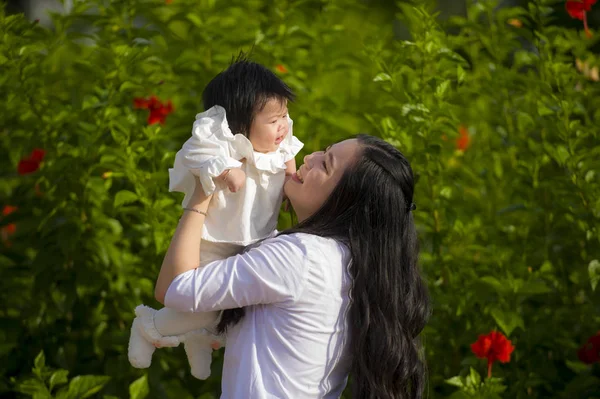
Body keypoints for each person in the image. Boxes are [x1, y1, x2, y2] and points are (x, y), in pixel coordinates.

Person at [155, 135, 431, 398]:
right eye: (324, 150)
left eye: (325, 164)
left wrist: (203, 191)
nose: (310, 157)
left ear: (346, 202)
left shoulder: (300, 257)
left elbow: (175, 289)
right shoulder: (348, 262)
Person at [128, 57, 303, 379]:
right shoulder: (219, 139)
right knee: (203, 304)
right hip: (215, 239)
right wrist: (225, 168)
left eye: (285, 115)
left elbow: (289, 158)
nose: (283, 125)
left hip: (258, 237)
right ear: (237, 124)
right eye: (274, 119)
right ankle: (149, 326)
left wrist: (291, 188)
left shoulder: (281, 140)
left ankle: (200, 340)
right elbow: (194, 154)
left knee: (235, 307)